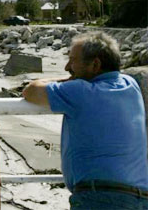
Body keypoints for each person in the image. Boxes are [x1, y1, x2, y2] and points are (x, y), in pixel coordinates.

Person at [23, 31, 148, 209]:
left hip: (99, 199)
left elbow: (31, 91)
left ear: (95, 64)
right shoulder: (130, 85)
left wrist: (67, 80)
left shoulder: (81, 92)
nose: (67, 67)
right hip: (140, 199)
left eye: (72, 60)